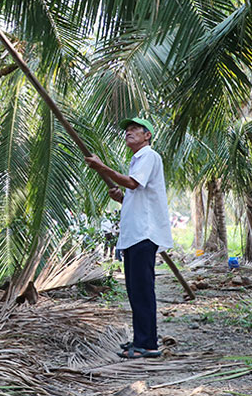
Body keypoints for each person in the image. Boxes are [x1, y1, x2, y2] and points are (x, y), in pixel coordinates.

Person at [85, 117, 172, 359]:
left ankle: (148, 345)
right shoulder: (138, 160)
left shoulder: (149, 156)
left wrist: (102, 167)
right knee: (135, 291)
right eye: (126, 130)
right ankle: (141, 339)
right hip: (135, 236)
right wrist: (121, 198)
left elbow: (133, 184)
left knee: (142, 290)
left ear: (148, 136)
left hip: (144, 235)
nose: (128, 132)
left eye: (134, 129)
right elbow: (136, 196)